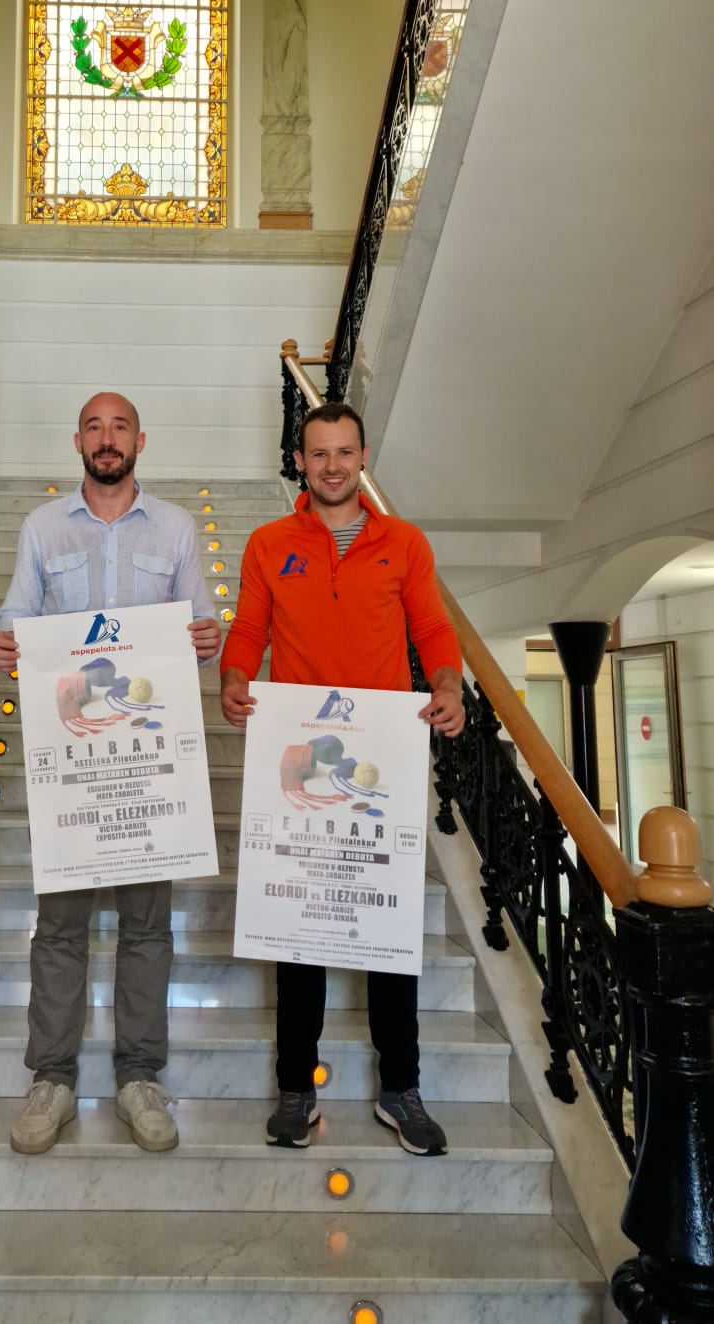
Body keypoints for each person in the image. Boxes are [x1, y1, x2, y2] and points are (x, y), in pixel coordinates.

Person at [220, 401, 465, 1155]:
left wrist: (449, 686)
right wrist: (232, 679)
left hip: (381, 759)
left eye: (343, 452)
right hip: (295, 763)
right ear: (301, 460)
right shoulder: (268, 542)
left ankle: (400, 1090)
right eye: (317, 453)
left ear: (363, 458)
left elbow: (430, 629)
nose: (330, 465)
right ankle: (297, 1089)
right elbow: (250, 629)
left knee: (387, 931)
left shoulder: (404, 543)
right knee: (297, 933)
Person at [0, 392, 221, 1155]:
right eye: (94, 426)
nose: (106, 438)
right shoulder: (41, 527)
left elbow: (197, 631)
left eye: (119, 426)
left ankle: (139, 1077)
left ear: (140, 441)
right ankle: (51, 1078)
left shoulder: (179, 528)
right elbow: (14, 618)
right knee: (58, 927)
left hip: (150, 768)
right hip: (71, 765)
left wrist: (206, 634)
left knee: (147, 926)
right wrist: (4, 644)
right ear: (78, 441)